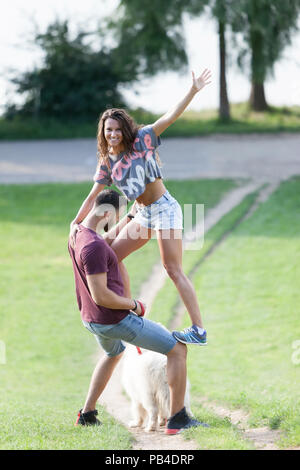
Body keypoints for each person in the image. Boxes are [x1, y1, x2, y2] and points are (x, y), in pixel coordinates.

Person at [69, 69, 212, 345]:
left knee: (172, 268)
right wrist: (76, 223)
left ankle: (199, 329)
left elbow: (170, 116)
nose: (112, 134)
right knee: (111, 255)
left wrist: (193, 90)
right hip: (143, 213)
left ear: (125, 129)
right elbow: (91, 197)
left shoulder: (142, 140)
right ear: (103, 132)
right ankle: (126, 312)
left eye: (116, 129)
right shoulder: (107, 163)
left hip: (165, 210)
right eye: (107, 130)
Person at [68, 189, 207, 434]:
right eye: (117, 215)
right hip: (114, 319)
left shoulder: (77, 232)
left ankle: (87, 413)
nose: (116, 220)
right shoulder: (94, 248)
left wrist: (131, 217)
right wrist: (134, 305)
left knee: (113, 354)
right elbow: (101, 295)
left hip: (91, 319)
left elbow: (105, 241)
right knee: (177, 350)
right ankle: (178, 418)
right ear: (108, 213)